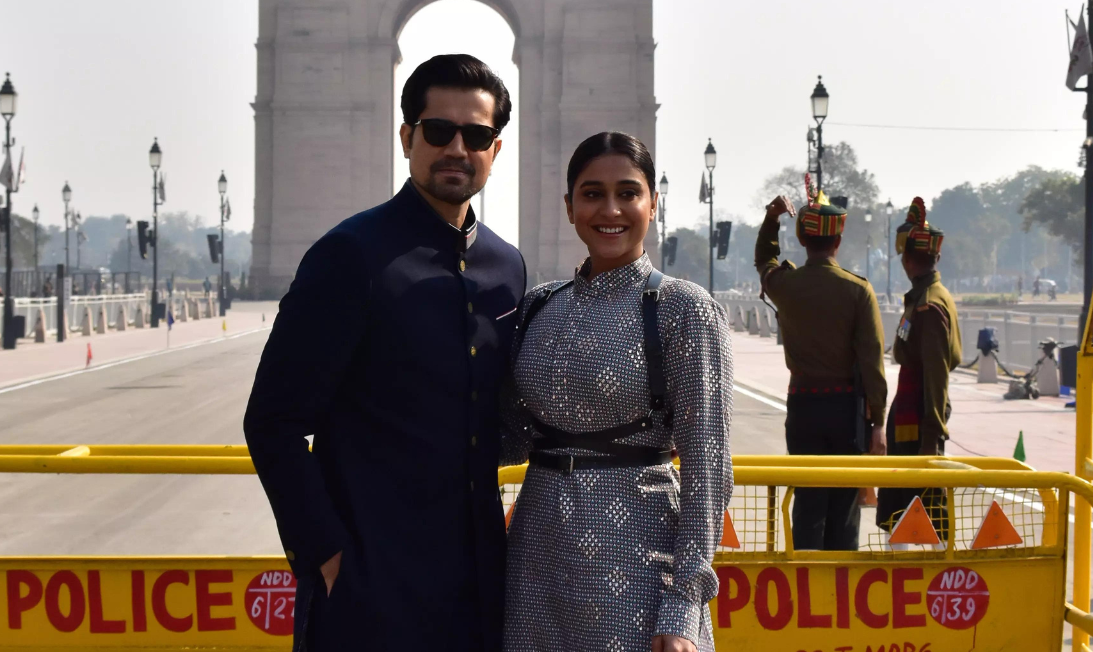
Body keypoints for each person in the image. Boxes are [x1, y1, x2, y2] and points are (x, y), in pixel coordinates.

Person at [244, 54, 525, 652]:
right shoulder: (350, 255)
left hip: (478, 581)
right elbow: (273, 421)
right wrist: (323, 553)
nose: (456, 147)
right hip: (370, 581)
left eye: (475, 135)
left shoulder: (508, 267)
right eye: (437, 130)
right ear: (407, 137)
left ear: (495, 151)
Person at [501, 132, 733, 652]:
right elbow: (509, 438)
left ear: (653, 202)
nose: (611, 209)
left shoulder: (683, 310)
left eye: (628, 193)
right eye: (591, 193)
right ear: (568, 207)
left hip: (635, 561)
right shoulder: (538, 308)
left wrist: (683, 608)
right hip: (533, 558)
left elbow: (708, 465)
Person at [754, 177, 887, 551]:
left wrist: (771, 218)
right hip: (847, 411)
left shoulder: (786, 285)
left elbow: (764, 260)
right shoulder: (857, 290)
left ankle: (805, 583)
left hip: (803, 406)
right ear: (838, 241)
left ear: (803, 240)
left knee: (809, 500)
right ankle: (841, 589)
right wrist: (878, 420)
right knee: (844, 505)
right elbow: (872, 360)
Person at [876, 198, 961, 541]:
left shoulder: (928, 306)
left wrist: (932, 437)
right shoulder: (929, 295)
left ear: (907, 260)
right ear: (935, 258)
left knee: (918, 511)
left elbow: (937, 374)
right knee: (905, 507)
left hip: (919, 420)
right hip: (912, 412)